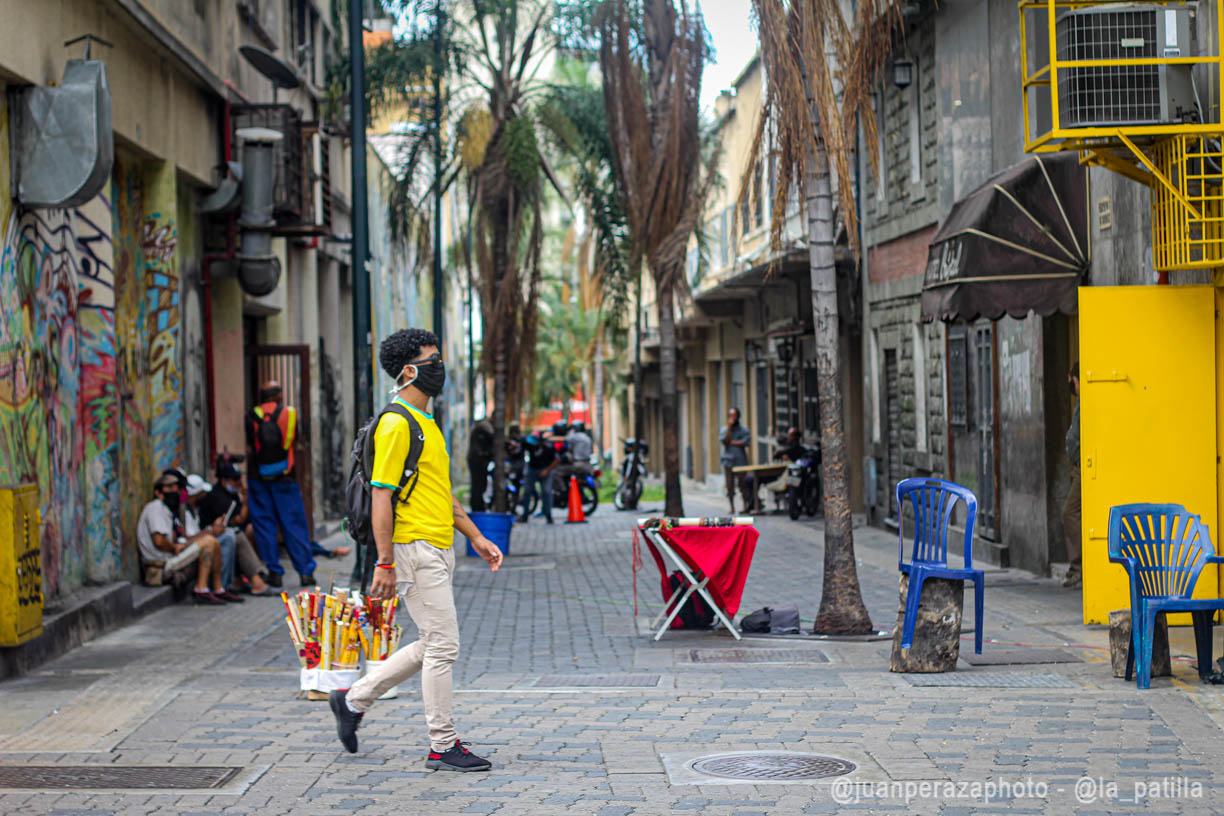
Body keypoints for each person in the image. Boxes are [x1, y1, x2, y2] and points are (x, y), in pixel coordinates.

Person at [329, 327, 503, 771]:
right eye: (431, 360)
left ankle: (353, 700)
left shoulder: (426, 424)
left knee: (433, 644)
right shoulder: (394, 424)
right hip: (411, 549)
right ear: (408, 371)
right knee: (444, 645)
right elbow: (381, 496)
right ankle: (442, 745)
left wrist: (475, 536)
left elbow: (440, 494)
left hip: (437, 546)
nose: (438, 368)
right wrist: (384, 562)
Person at [246, 381, 316, 587]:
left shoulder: (252, 415)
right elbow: (297, 440)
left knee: (264, 526)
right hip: (285, 477)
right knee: (294, 525)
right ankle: (305, 572)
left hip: (259, 478)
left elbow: (251, 444)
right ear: (278, 396)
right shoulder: (290, 414)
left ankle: (274, 572)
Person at [136, 472, 234, 605]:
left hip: (170, 558)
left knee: (214, 542)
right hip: (161, 564)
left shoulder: (169, 511)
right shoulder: (155, 507)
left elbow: (183, 539)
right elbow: (159, 541)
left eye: (176, 487)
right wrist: (175, 548)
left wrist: (208, 531)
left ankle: (218, 589)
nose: (174, 491)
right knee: (209, 542)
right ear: (159, 492)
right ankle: (201, 589)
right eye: (169, 488)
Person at [196, 463, 274, 596]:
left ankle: (247, 579)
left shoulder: (231, 494)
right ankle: (252, 581)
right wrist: (245, 500)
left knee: (245, 532)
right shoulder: (219, 496)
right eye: (235, 480)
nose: (239, 483)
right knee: (234, 536)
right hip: (210, 534)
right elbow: (237, 520)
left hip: (218, 533)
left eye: (239, 479)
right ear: (224, 480)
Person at [1063, 364, 1082, 588]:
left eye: (1073, 381)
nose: (1073, 386)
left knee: (1069, 512)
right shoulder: (1080, 401)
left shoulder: (1087, 400)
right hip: (1078, 467)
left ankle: (1078, 566)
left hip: (1084, 468)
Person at [519, 431, 558, 523]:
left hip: (545, 469)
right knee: (527, 492)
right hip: (532, 469)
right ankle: (525, 515)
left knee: (546, 492)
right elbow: (520, 442)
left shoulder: (548, 447)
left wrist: (547, 471)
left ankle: (548, 515)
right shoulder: (529, 444)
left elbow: (557, 460)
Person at [720, 407, 751, 514]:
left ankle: (745, 506)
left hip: (740, 461)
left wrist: (731, 443)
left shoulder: (744, 430)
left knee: (743, 484)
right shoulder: (724, 430)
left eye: (734, 416)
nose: (732, 418)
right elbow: (725, 441)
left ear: (738, 417)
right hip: (728, 461)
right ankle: (732, 507)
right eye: (730, 416)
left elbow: (745, 442)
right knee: (730, 485)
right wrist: (729, 428)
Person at [467, 419, 495, 512]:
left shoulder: (482, 427)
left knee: (478, 486)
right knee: (478, 486)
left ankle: (478, 506)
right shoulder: (484, 428)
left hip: (478, 459)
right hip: (478, 460)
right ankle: (478, 507)